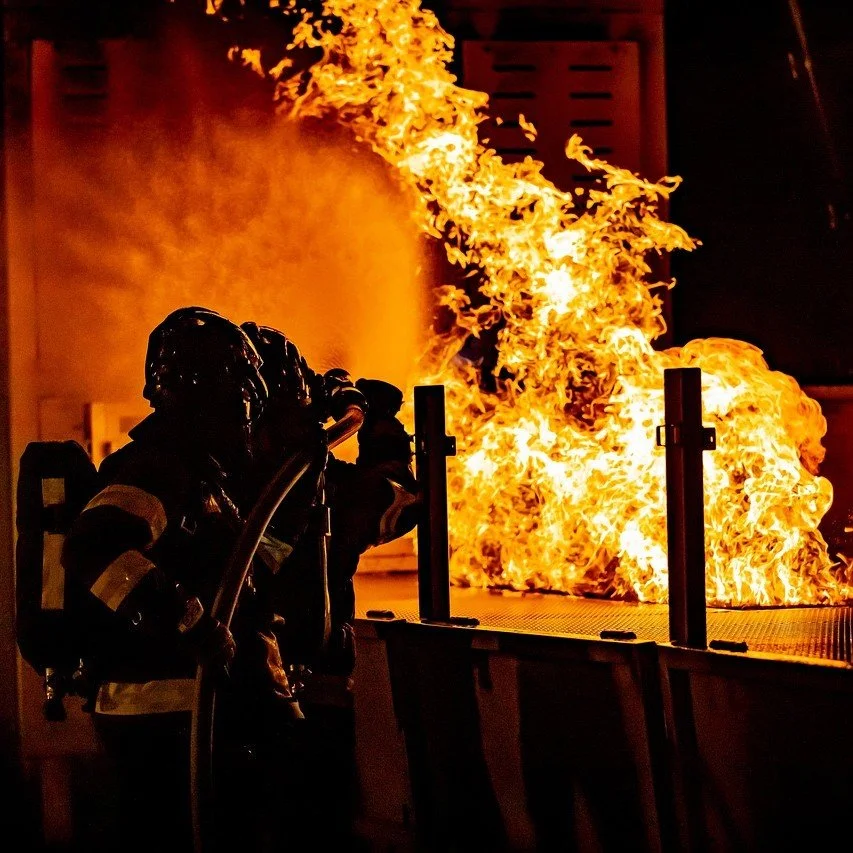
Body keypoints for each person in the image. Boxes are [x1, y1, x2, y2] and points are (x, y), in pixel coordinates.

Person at [60, 306, 291, 853]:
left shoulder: (199, 475)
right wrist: (191, 624)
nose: (247, 408)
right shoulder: (161, 467)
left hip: (183, 715)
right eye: (243, 390)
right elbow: (93, 547)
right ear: (216, 389)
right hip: (166, 719)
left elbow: (253, 565)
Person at [239, 321, 421, 848]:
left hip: (234, 691)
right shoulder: (307, 484)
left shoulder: (211, 477)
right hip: (308, 690)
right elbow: (397, 502)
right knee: (313, 822)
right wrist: (381, 427)